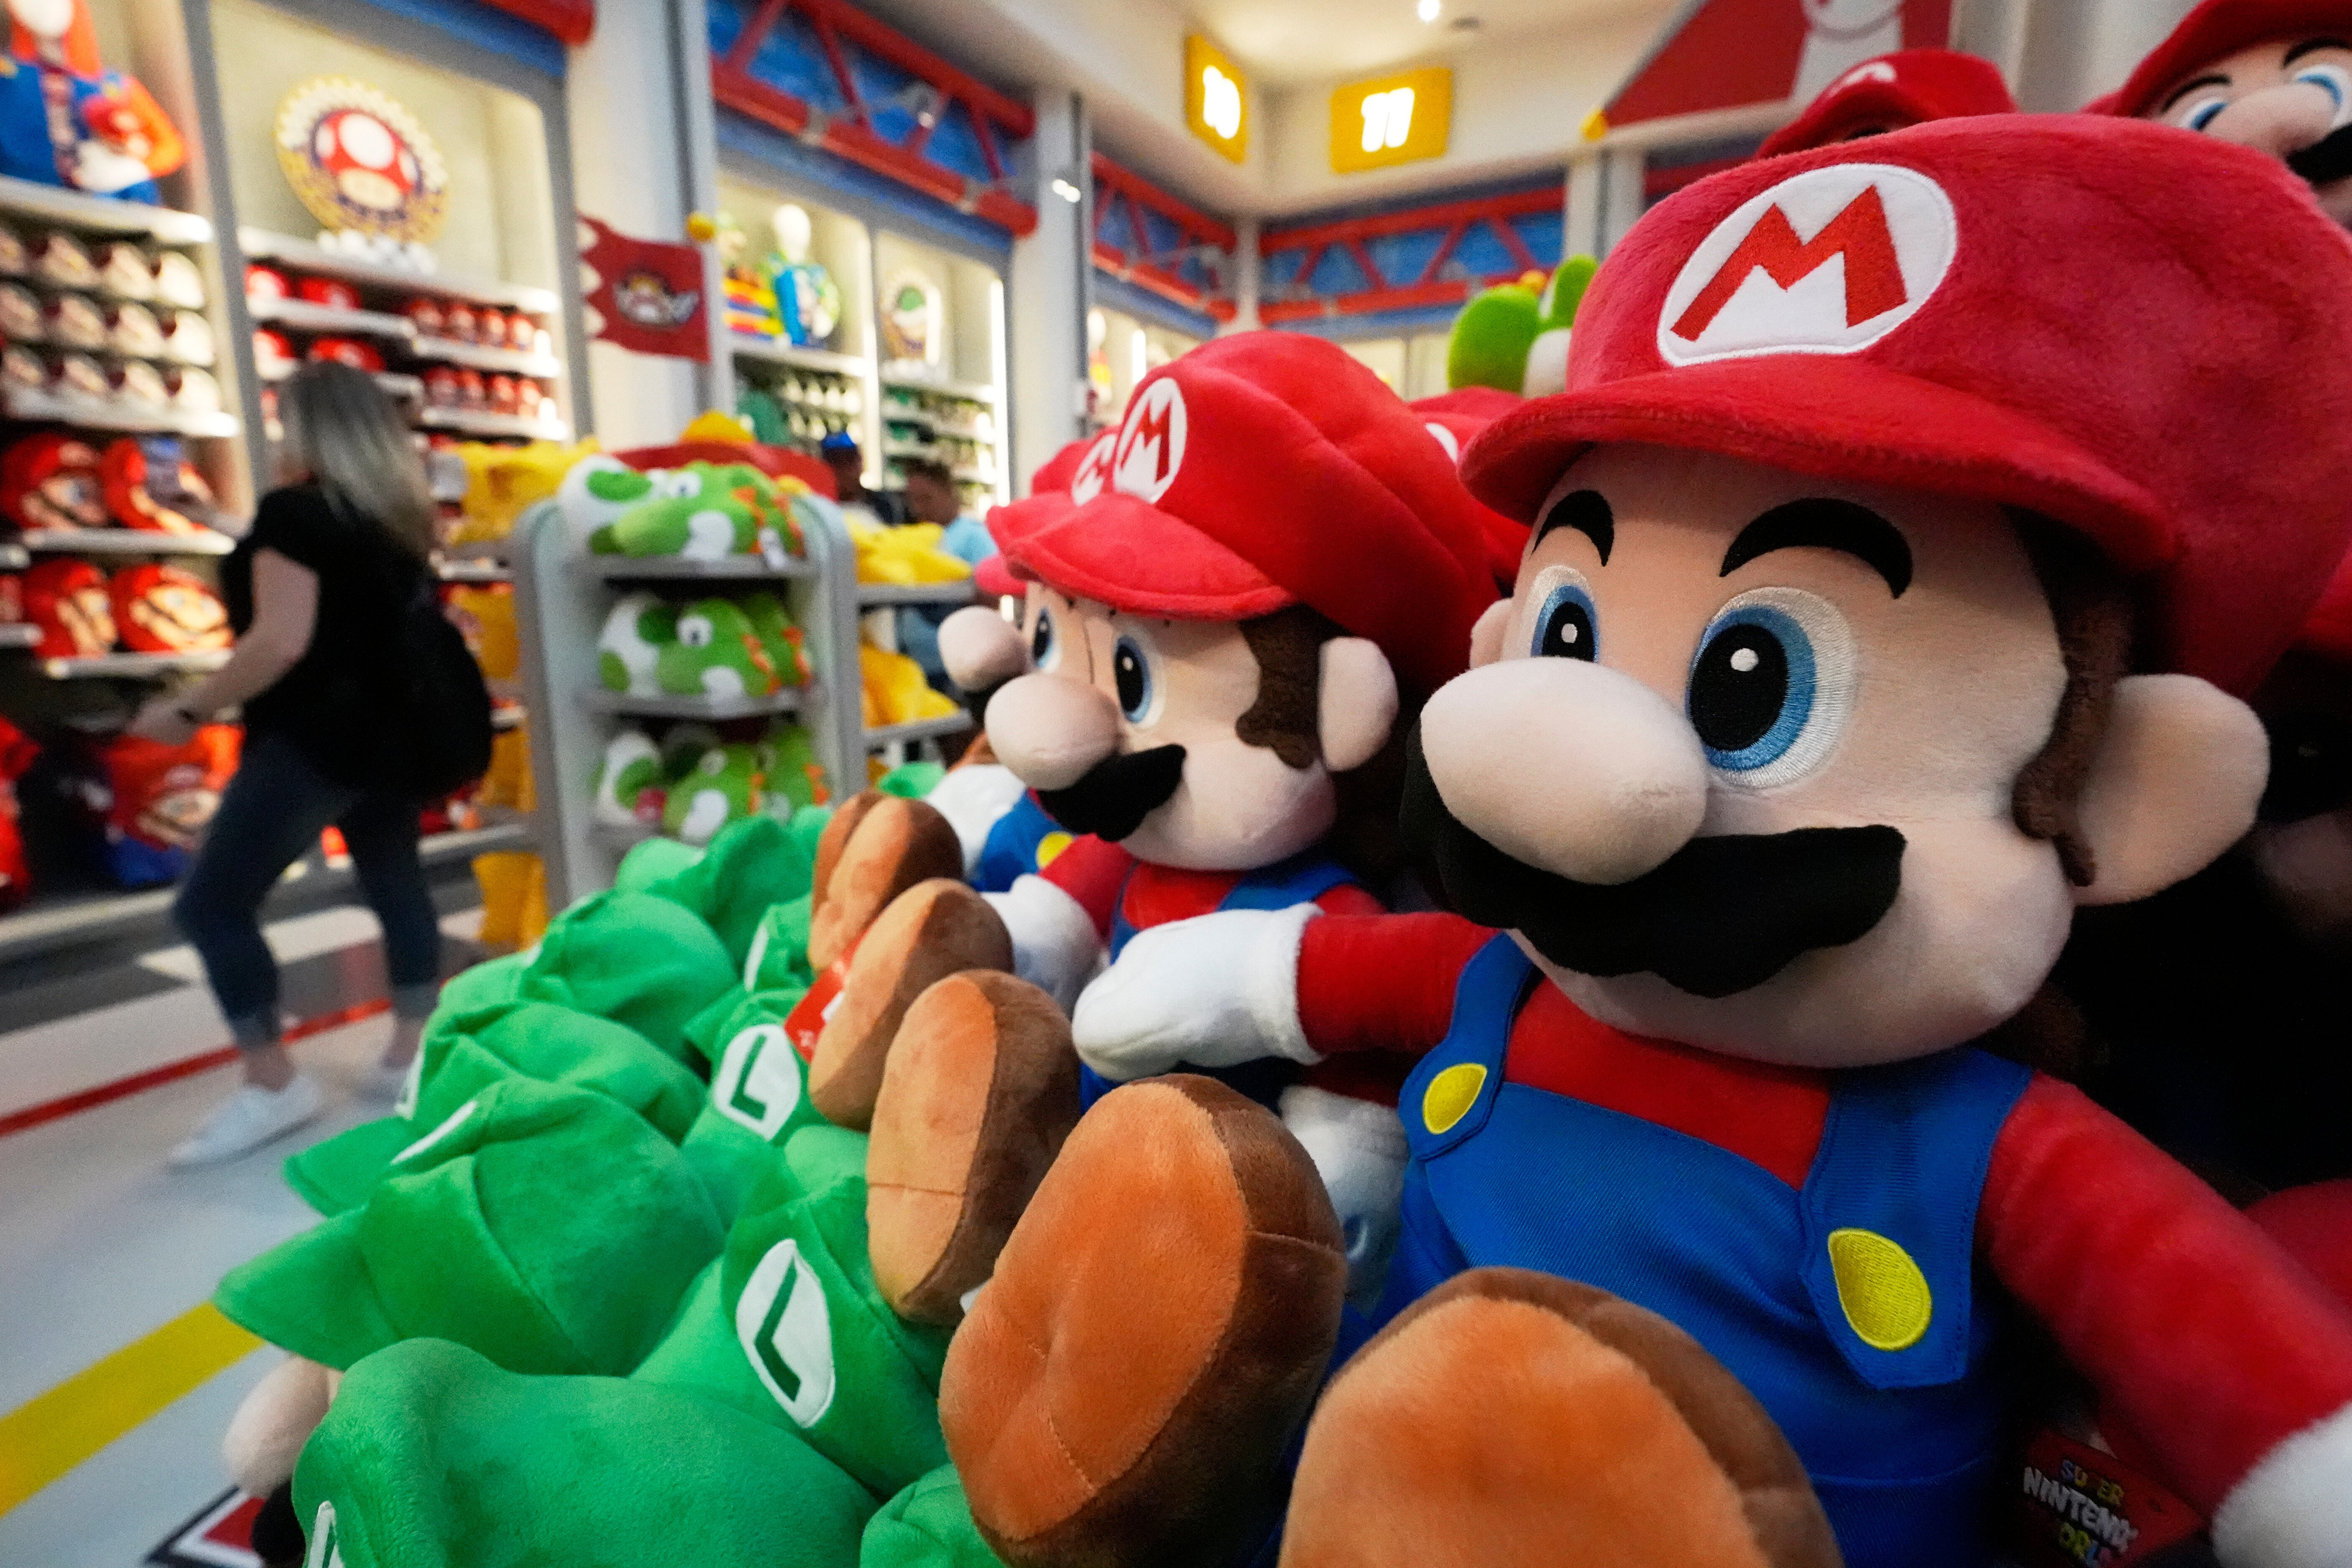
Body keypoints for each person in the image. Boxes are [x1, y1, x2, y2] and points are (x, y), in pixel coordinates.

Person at [130, 362, 446, 1167]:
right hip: (390, 739)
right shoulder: (389, 516)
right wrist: (211, 516)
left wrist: (187, 710)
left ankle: (273, 1083)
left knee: (211, 906)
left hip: (312, 742)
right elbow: (319, 577)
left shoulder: (294, 513)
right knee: (396, 885)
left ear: (304, 428)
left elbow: (280, 639)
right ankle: (412, 1051)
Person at [819, 430, 901, 524]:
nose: (843, 471)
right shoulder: (818, 508)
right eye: (836, 463)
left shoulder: (884, 504)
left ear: (860, 462)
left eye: (849, 462)